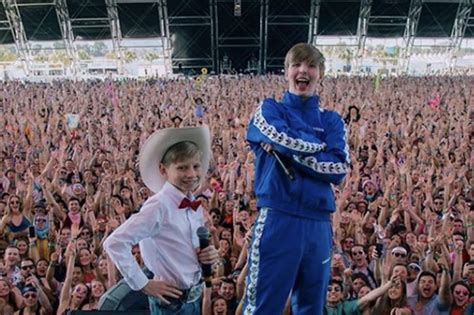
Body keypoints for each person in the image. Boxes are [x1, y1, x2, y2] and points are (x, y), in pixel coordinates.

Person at [244, 43, 350, 314]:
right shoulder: (268, 110)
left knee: (312, 308)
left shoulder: (333, 121)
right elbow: (280, 135)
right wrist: (320, 146)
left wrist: (288, 150)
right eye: (296, 65)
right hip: (279, 218)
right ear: (286, 71)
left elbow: (338, 170)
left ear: (321, 74)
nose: (303, 70)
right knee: (262, 307)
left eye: (311, 66)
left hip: (318, 224)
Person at [104, 125, 219, 315]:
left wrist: (205, 255)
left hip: (193, 298)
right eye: (182, 168)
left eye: (196, 166)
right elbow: (114, 243)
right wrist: (143, 284)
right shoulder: (158, 206)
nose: (191, 174)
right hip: (170, 304)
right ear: (163, 170)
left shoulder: (192, 204)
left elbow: (186, 247)